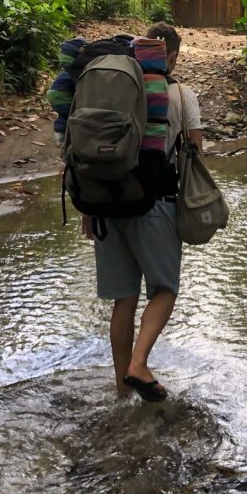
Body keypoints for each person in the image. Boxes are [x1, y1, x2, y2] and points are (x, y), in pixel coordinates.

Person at [81, 23, 203, 402]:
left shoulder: (107, 97)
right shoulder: (181, 95)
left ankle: (122, 395)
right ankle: (139, 364)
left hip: (103, 203)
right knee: (165, 289)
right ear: (173, 56)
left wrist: (86, 209)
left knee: (124, 299)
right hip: (155, 204)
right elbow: (196, 156)